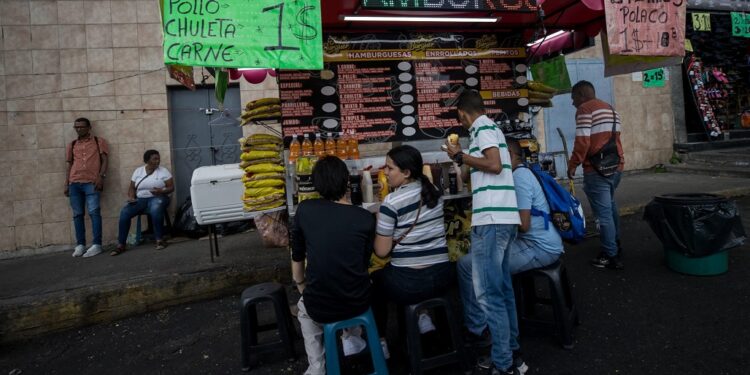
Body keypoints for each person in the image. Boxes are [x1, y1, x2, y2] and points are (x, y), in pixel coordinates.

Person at [456, 138, 564, 373]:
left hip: (540, 246)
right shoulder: (517, 174)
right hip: (530, 242)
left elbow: (523, 225)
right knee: (490, 272)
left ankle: (480, 333)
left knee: (469, 266)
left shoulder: (519, 177)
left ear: (511, 156)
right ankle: (498, 338)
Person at [444, 90, 522, 375]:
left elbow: (494, 164)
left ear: (462, 113)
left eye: (458, 117)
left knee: (490, 295)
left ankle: (503, 364)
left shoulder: (484, 128)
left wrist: (462, 154)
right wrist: (457, 158)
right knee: (501, 290)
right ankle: (512, 354)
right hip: (500, 219)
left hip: (491, 220)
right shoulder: (484, 133)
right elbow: (468, 176)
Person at [291, 156, 376, 375]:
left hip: (320, 305)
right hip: (358, 301)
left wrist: (301, 285)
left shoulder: (305, 210)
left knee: (304, 311)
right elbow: (362, 263)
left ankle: (317, 366)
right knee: (351, 282)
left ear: (317, 184)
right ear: (347, 181)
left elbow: (297, 255)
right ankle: (351, 337)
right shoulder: (365, 217)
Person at [371, 145, 454, 349]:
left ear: (406, 172)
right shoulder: (434, 191)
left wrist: (378, 221)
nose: (386, 173)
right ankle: (432, 328)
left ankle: (381, 342)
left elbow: (382, 251)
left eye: (390, 168)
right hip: (443, 276)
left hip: (409, 283)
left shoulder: (391, 202)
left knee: (375, 282)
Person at [567, 80, 624, 270]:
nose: (573, 102)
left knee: (604, 214)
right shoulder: (610, 108)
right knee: (611, 206)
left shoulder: (585, 109)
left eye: (574, 97)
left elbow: (583, 141)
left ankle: (610, 255)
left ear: (582, 94)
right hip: (616, 167)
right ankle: (615, 244)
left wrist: (573, 164)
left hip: (597, 170)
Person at [110, 150, 174, 255]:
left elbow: (171, 187)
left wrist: (161, 191)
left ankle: (159, 240)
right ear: (147, 160)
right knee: (125, 212)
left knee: (156, 207)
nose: (158, 161)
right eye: (155, 159)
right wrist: (131, 197)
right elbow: (131, 188)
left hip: (159, 197)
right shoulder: (138, 171)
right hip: (140, 200)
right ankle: (121, 245)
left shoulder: (163, 171)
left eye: (158, 158)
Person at [65, 117, 109, 258]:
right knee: (77, 214)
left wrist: (100, 177)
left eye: (82, 127)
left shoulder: (99, 141)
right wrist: (67, 183)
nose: (79, 129)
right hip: (74, 183)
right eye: (76, 127)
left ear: (89, 127)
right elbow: (69, 165)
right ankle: (80, 245)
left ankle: (97, 245)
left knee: (94, 212)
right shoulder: (72, 145)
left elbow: (105, 160)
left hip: (91, 182)